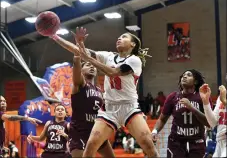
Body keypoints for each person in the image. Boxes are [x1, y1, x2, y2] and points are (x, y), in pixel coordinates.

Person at [49, 27, 158, 157]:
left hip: (129, 107)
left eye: (124, 37)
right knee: (91, 145)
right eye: (119, 37)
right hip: (109, 109)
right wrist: (55, 37)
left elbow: (112, 72)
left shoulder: (134, 60)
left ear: (132, 44)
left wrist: (89, 59)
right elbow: (78, 51)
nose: (119, 38)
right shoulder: (108, 56)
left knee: (148, 144)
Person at [151, 70, 210, 158]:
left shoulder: (202, 97)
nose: (184, 77)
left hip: (197, 142)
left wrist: (192, 108)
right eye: (183, 76)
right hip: (176, 143)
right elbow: (162, 119)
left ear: (196, 81)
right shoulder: (172, 97)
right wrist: (155, 131)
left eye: (189, 75)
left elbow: (209, 122)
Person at [67, 54, 114, 157]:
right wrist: (77, 58)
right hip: (80, 133)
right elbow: (76, 75)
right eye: (88, 65)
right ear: (81, 70)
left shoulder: (99, 90)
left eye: (93, 66)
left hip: (96, 131)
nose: (92, 67)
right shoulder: (80, 85)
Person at [199, 84, 226, 157]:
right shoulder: (222, 95)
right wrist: (206, 102)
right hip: (220, 142)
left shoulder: (223, 98)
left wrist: (225, 102)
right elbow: (213, 123)